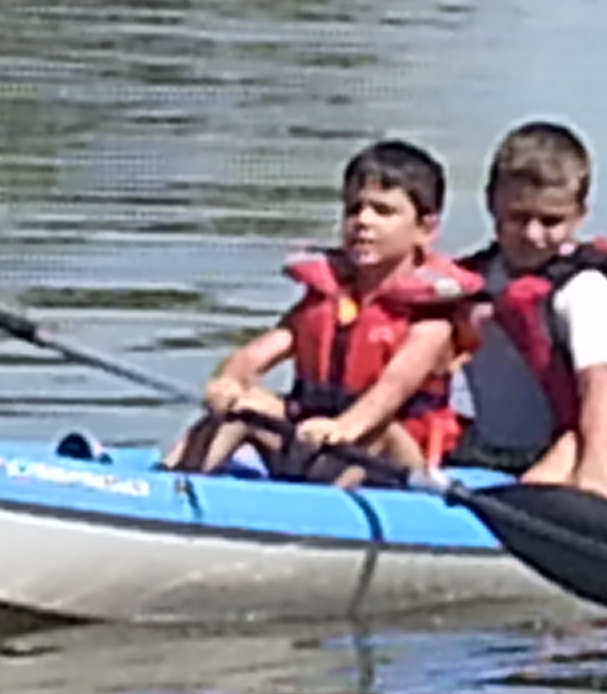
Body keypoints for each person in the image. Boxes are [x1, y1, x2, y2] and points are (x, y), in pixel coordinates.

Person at [167, 139, 478, 482]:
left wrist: (344, 427)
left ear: (425, 229)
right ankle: (172, 483)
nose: (363, 221)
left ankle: (323, 506)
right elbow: (256, 355)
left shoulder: (431, 322)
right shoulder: (324, 299)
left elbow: (391, 390)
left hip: (394, 461)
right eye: (354, 209)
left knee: (382, 430)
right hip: (316, 438)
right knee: (247, 404)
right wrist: (229, 382)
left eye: (383, 211)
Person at [448, 121, 607, 502]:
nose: (532, 234)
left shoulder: (583, 290)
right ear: (491, 202)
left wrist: (595, 470)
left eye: (551, 221)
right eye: (518, 217)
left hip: (567, 448)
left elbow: (597, 386)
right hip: (488, 449)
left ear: (579, 214)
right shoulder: (469, 280)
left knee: (539, 485)